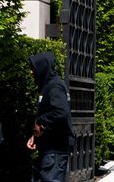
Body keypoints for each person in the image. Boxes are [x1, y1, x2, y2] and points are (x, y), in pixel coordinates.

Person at [27, 52, 75, 182]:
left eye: (33, 68)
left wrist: (40, 122)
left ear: (42, 67)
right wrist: (35, 135)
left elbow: (61, 112)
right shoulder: (48, 86)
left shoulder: (54, 86)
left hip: (56, 150)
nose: (31, 72)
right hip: (51, 149)